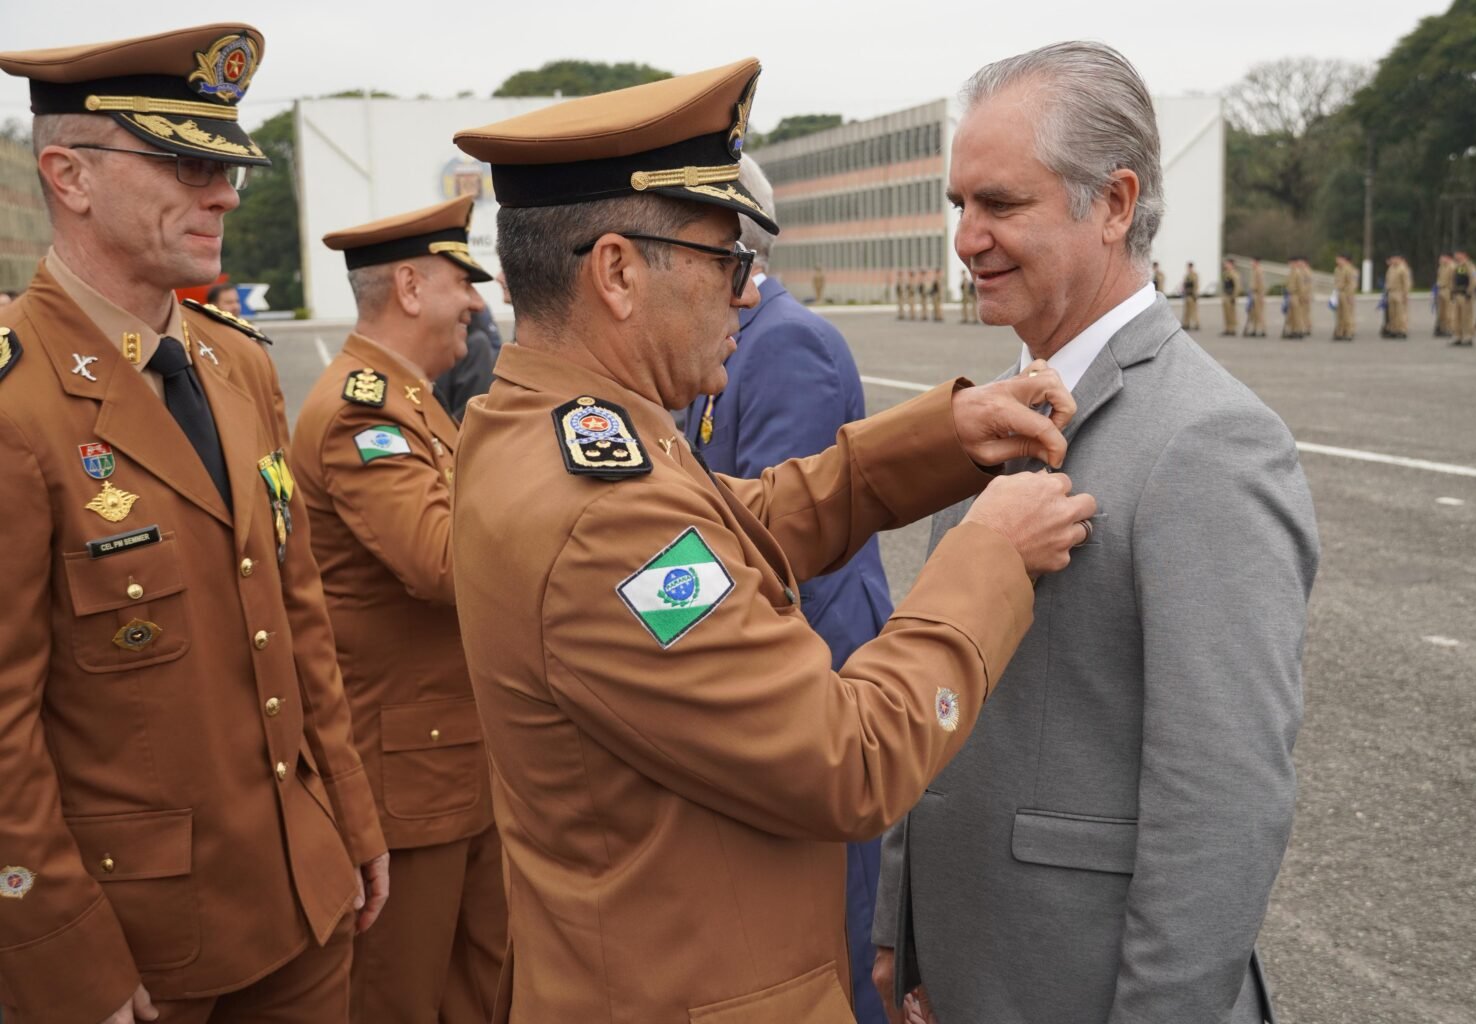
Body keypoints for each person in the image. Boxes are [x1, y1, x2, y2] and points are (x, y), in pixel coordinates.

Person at [449, 58, 1098, 1023]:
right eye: (727, 263)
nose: (747, 296)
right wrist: (988, 558)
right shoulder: (600, 512)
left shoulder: (551, 431)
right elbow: (846, 759)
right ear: (619, 272)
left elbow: (731, 526)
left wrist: (933, 441)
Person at [872, 42, 1319, 1024]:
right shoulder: (1000, 410)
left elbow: (1225, 802)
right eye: (958, 206)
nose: (967, 237)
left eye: (1000, 204)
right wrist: (901, 917)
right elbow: (960, 694)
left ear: (1113, 203)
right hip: (968, 969)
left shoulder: (1209, 439)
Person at [0, 24, 388, 1022]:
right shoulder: (15, 401)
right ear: (69, 176)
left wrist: (348, 809)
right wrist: (63, 955)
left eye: (229, 167)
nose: (223, 191)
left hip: (302, 893)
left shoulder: (237, 364)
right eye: (187, 162)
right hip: (135, 941)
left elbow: (298, 614)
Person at [682, 154, 894, 1024]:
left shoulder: (786, 341)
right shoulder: (735, 336)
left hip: (823, 660)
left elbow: (785, 540)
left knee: (836, 929)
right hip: (773, 656)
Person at [290, 195, 506, 1022]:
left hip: (450, 765)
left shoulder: (410, 401)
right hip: (407, 783)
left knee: (478, 994)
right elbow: (443, 560)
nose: (478, 304)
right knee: (403, 999)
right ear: (411, 287)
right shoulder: (363, 409)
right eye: (463, 282)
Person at [1450, 249, 1476, 346]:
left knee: (1466, 317)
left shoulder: (1469, 266)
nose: (1456, 256)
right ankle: (1458, 336)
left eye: (1458, 254)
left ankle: (1467, 336)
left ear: (1463, 255)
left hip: (1465, 294)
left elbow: (1473, 280)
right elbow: (1453, 280)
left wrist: (1469, 292)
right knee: (1457, 317)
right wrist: (1452, 291)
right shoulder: (1457, 266)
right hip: (1457, 294)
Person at [1385, 254, 1411, 339]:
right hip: (1391, 292)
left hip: (1399, 292)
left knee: (1400, 313)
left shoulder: (1403, 269)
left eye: (1394, 258)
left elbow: (1406, 283)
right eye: (1392, 258)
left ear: (1399, 258)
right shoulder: (1391, 268)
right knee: (1392, 313)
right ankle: (1394, 329)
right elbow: (1388, 280)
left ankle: (1402, 330)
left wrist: (1405, 294)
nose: (1392, 260)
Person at [1333, 253, 1358, 341]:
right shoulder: (1338, 269)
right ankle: (1340, 332)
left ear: (1344, 259)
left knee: (1347, 314)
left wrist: (1350, 295)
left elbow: (1352, 283)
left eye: (1339, 259)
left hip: (1346, 293)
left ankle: (1348, 332)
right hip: (1339, 292)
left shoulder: (1349, 269)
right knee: (1340, 314)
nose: (1337, 261)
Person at [1244, 257, 1267, 337]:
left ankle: (1262, 330)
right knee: (1253, 313)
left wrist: (1261, 297)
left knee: (1259, 313)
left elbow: (1261, 285)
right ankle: (1254, 329)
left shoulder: (1259, 271)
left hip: (1258, 295)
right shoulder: (1254, 271)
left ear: (1256, 262)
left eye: (1252, 262)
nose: (1251, 263)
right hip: (1253, 294)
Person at [1434, 253, 1454, 337]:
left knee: (1448, 311)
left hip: (1448, 290)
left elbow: (1453, 280)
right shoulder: (1441, 267)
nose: (1440, 260)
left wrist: (1453, 291)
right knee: (1441, 312)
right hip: (1441, 289)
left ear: (1447, 258)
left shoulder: (1452, 267)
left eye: (1442, 258)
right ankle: (1441, 328)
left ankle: (1449, 328)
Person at [1219, 258, 1239, 335]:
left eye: (1227, 264)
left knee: (1231, 314)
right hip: (1226, 296)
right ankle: (1227, 328)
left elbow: (1237, 286)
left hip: (1230, 296)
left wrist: (1234, 297)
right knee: (1226, 313)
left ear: (1231, 264)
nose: (1225, 265)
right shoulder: (1226, 273)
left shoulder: (1234, 274)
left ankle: (1232, 329)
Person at [1180, 261, 1199, 330]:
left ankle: (1196, 324)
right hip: (1187, 295)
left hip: (1191, 295)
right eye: (1187, 267)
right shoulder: (1186, 275)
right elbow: (1184, 285)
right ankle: (1186, 323)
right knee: (1186, 311)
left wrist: (1195, 295)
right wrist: (1182, 291)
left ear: (1192, 267)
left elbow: (1196, 285)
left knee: (1193, 311)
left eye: (1189, 267)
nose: (1188, 268)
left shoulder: (1194, 275)